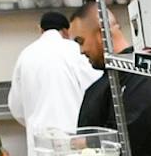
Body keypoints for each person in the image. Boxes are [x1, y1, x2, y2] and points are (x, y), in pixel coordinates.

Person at [73, 11, 151, 156]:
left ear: (102, 33)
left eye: (81, 41)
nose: (81, 50)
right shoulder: (105, 82)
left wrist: (87, 143)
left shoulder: (142, 75)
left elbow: (129, 137)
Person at [7, 8, 99, 142]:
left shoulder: (25, 54)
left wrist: (35, 123)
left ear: (40, 30)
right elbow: (95, 88)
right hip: (75, 137)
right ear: (67, 31)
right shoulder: (75, 49)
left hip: (40, 141)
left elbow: (16, 106)